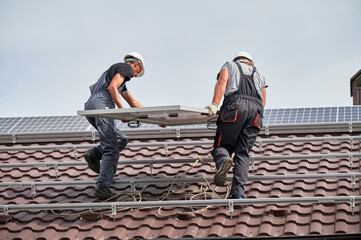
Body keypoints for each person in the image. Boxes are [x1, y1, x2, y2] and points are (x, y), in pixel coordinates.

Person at [205, 51, 267, 199]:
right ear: (250, 63)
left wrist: (214, 104)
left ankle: (222, 163)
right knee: (243, 153)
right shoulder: (260, 73)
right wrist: (257, 114)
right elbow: (263, 98)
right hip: (256, 113)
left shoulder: (229, 65)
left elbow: (222, 81)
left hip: (235, 107)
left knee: (222, 146)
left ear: (237, 60)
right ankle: (238, 194)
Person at [83, 52, 145, 200]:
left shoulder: (115, 74)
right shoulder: (126, 68)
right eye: (137, 72)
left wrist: (157, 118)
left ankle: (95, 153)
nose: (135, 76)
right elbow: (112, 88)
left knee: (121, 140)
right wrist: (121, 111)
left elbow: (133, 103)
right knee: (111, 147)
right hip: (102, 103)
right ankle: (102, 187)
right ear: (136, 64)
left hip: (91, 106)